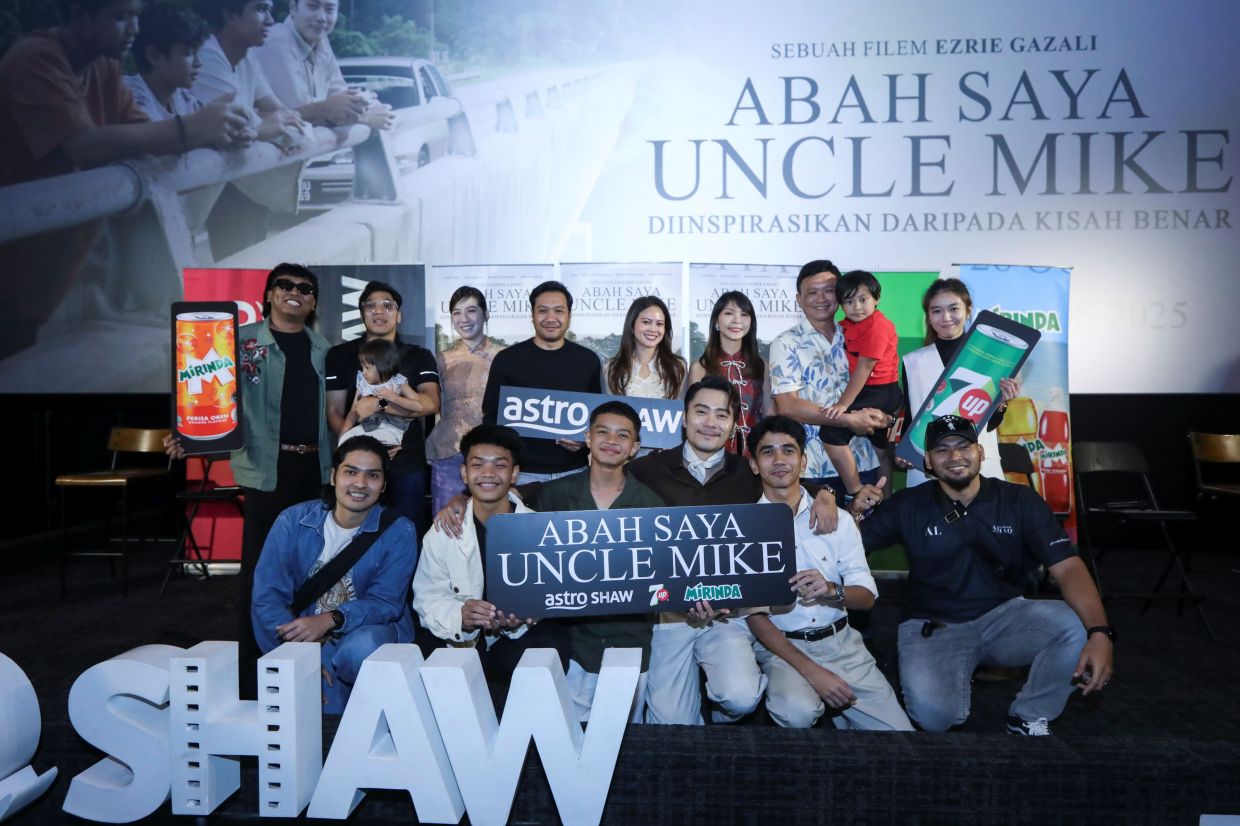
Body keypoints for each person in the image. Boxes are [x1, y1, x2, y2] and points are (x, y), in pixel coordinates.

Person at [0, 0, 248, 358]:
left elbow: (140, 134)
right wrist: (190, 128)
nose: (133, 27)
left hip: (50, 273)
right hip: (12, 265)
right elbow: (83, 146)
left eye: (136, 15)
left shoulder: (104, 66)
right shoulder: (35, 59)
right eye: (119, 16)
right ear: (79, 14)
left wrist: (213, 132)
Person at [853, 415, 1114, 735]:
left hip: (1004, 617)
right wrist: (854, 513)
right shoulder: (908, 505)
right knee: (936, 719)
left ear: (981, 452)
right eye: (942, 450)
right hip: (933, 624)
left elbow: (1069, 567)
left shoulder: (1019, 500)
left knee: (1074, 624)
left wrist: (1100, 632)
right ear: (929, 462)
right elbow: (847, 548)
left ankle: (1029, 715)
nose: (955, 456)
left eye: (963, 447)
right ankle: (950, 680)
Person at [623, 376, 841, 725]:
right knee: (670, 722)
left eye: (721, 415)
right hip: (669, 615)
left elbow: (790, 478)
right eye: (701, 412)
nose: (710, 423)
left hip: (728, 614)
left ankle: (724, 709)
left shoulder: (747, 470)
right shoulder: (646, 470)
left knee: (739, 698)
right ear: (683, 417)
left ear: (733, 424)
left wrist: (827, 491)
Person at [166, 263, 334, 677]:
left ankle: (307, 659)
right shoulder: (237, 344)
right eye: (286, 285)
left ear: (313, 301)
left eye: (305, 288)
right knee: (261, 571)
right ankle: (253, 664)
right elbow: (205, 398)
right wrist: (189, 436)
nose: (295, 292)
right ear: (270, 294)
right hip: (266, 470)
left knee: (313, 566)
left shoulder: (325, 348)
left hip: (317, 469)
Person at [744, 416, 912, 730]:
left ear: (803, 460)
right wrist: (814, 672)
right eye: (767, 452)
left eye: (789, 451)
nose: (779, 460)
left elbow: (866, 597)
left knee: (899, 737)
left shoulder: (841, 521)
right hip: (783, 650)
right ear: (754, 465)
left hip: (842, 644)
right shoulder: (746, 528)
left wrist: (831, 590)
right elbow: (755, 617)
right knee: (797, 711)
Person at [251, 435, 418, 713]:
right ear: (333, 476)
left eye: (372, 475)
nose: (360, 484)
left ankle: (377, 703)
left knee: (358, 650)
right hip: (305, 637)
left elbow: (386, 603)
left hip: (365, 634)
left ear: (384, 484)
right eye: (351, 472)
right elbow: (267, 598)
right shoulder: (292, 521)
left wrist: (332, 619)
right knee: (314, 719)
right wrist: (298, 660)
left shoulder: (400, 532)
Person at [523, 401, 663, 723]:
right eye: (603, 432)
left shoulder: (651, 505)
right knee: (568, 736)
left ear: (635, 447)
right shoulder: (554, 496)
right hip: (572, 643)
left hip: (629, 641)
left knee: (625, 741)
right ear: (587, 437)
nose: (611, 440)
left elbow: (658, 583)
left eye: (622, 435)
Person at [413, 424, 570, 697]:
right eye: (478, 465)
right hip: (462, 642)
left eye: (499, 465)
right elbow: (427, 598)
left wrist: (527, 615)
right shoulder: (443, 530)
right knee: (429, 651)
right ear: (464, 473)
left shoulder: (539, 529)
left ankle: (531, 731)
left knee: (550, 645)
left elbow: (553, 593)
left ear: (515, 474)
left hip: (518, 640)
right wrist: (459, 616)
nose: (488, 474)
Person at [192, 0, 308, 259]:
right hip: (211, 187)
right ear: (229, 15)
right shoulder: (207, 56)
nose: (269, 20)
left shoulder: (246, 56)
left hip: (232, 181)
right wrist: (264, 124)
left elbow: (287, 118)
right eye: (260, 9)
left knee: (249, 270)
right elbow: (239, 127)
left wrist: (265, 124)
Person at [325, 281, 440, 535]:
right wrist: (356, 448)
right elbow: (334, 411)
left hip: (406, 460)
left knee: (406, 531)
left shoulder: (418, 356)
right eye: (371, 306)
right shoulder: (339, 355)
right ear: (362, 314)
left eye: (388, 306)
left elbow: (430, 404)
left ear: (399, 315)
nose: (379, 311)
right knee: (353, 534)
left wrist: (380, 403)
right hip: (357, 463)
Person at [769, 260, 888, 499]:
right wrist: (848, 420)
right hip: (812, 469)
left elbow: (883, 382)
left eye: (829, 290)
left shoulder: (861, 333)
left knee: (869, 535)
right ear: (799, 299)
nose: (821, 298)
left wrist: (884, 417)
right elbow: (788, 406)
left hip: (865, 461)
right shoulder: (785, 343)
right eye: (812, 292)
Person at [900, 278, 1019, 487]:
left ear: (968, 309)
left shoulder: (991, 358)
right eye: (936, 311)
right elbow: (911, 417)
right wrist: (904, 452)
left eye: (953, 308)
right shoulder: (912, 361)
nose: (946, 318)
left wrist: (1002, 402)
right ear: (928, 315)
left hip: (980, 464)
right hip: (926, 466)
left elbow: (989, 424)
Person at [482, 280, 602, 484]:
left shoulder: (588, 360)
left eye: (558, 311)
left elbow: (598, 417)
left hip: (575, 472)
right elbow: (491, 418)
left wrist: (584, 440)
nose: (551, 318)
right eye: (543, 310)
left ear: (569, 316)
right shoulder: (507, 359)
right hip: (522, 475)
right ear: (532, 315)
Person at [819, 270, 901, 497]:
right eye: (849, 301)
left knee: (830, 432)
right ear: (841, 305)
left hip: (880, 391)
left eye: (863, 299)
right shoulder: (846, 325)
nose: (857, 306)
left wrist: (843, 404)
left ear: (877, 299)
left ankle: (855, 490)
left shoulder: (878, 326)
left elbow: (865, 367)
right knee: (879, 449)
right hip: (874, 390)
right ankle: (886, 498)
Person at [426, 286, 505, 515]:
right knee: (448, 525)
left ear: (486, 314)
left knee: (494, 525)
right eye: (457, 313)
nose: (464, 319)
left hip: (494, 453)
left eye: (471, 310)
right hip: (449, 452)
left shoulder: (505, 356)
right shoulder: (441, 359)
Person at [255, 0, 392, 130]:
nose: (321, 17)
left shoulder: (321, 42)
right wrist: (366, 117)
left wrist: (364, 103)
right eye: (312, 6)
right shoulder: (276, 42)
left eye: (330, 9)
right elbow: (300, 115)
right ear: (293, 8)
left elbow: (340, 95)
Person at [687, 290, 771, 457]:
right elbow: (692, 417)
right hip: (711, 455)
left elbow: (770, 415)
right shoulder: (700, 367)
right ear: (716, 321)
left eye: (744, 314)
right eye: (729, 313)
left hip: (754, 456)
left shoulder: (763, 367)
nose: (737, 320)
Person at [123, 2, 210, 121]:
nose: (198, 62)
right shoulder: (131, 96)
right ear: (154, 56)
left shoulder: (183, 97)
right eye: (188, 53)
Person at [336, 339, 420, 447]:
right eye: (362, 367)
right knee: (346, 440)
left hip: (391, 428)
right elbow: (353, 411)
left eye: (367, 368)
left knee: (373, 445)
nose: (364, 372)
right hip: (367, 427)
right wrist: (344, 431)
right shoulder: (363, 383)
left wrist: (391, 398)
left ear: (383, 365)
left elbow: (418, 406)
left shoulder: (397, 382)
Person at [604, 296, 687, 401]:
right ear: (632, 324)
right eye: (646, 322)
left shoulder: (678, 368)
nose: (653, 329)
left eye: (659, 324)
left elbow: (680, 411)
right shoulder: (610, 368)